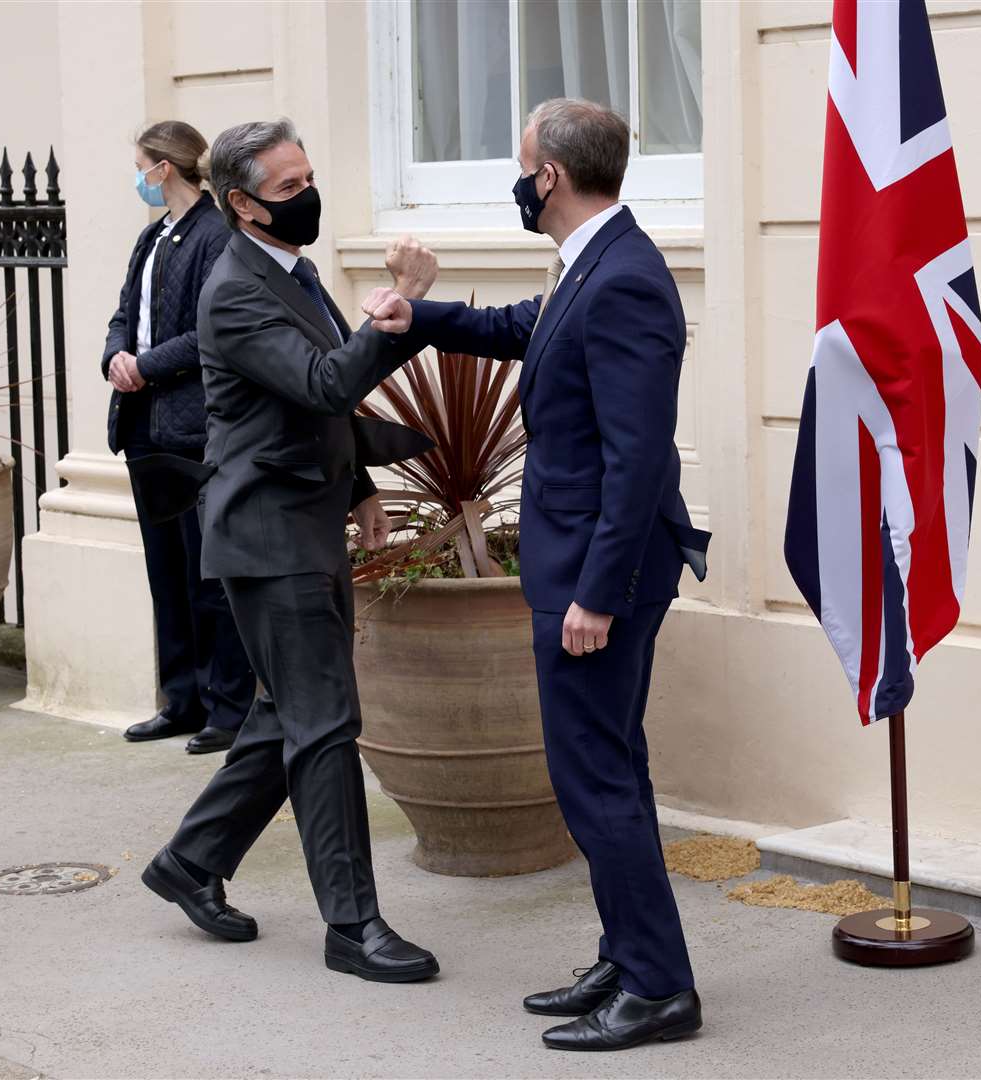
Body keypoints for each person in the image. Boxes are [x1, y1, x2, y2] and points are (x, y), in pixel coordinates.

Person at [361, 98, 712, 1049]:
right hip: (581, 564)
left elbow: (639, 459)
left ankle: (657, 988)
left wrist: (596, 594)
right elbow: (529, 328)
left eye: (522, 168)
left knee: (594, 777)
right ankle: (625, 954)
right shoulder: (592, 260)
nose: (518, 183)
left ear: (548, 176)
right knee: (609, 771)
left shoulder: (624, 276)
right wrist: (418, 316)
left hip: (603, 578)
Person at [139, 118, 440, 983]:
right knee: (324, 725)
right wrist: (392, 308)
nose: (307, 195)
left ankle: (191, 862)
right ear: (241, 203)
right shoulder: (233, 289)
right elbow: (326, 379)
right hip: (268, 540)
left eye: (308, 175)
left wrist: (361, 486)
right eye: (287, 187)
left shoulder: (294, 271)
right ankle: (352, 927)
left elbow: (321, 403)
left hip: (306, 521)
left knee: (288, 714)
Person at [102, 121, 255, 755]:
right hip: (142, 423)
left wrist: (145, 364)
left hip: (190, 428)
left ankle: (227, 706)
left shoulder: (215, 236)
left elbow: (207, 333)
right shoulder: (152, 235)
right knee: (165, 569)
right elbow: (123, 314)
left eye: (141, 165)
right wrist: (114, 354)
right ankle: (181, 699)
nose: (137, 176)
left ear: (163, 168)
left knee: (205, 572)